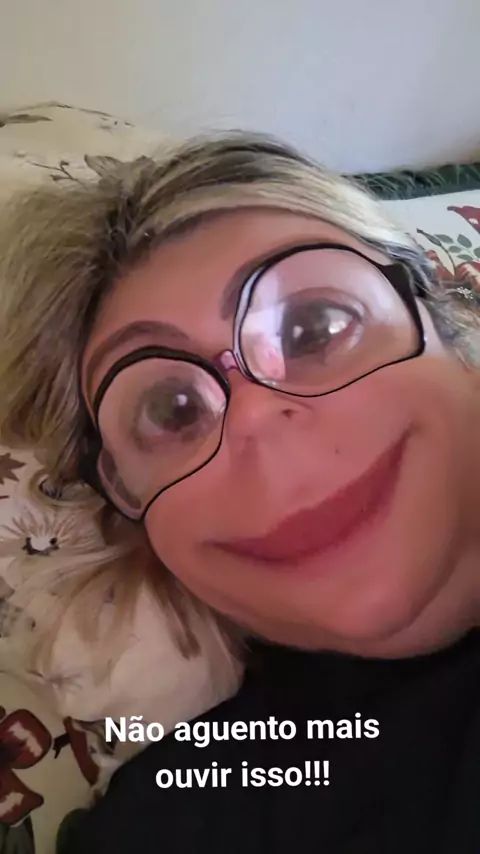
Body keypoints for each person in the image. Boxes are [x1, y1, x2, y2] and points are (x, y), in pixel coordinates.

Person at [1, 133, 480, 853]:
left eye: (315, 329)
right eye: (171, 411)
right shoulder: (181, 817)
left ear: (448, 330)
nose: (253, 416)